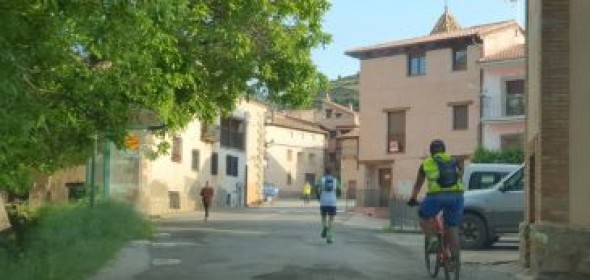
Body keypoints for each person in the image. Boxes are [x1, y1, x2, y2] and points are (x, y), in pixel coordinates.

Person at [408, 139, 464, 259]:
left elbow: (418, 185)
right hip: (456, 196)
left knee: (422, 215)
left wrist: (413, 199)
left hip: (436, 197)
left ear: (431, 152)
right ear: (444, 150)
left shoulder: (426, 163)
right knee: (452, 225)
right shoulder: (453, 159)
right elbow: (461, 164)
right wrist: (460, 174)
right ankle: (454, 260)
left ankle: (433, 238)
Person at [315, 168, 341, 244]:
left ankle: (324, 227)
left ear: (325, 172)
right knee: (331, 219)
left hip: (323, 201)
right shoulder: (335, 180)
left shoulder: (321, 180)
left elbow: (316, 187)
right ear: (331, 172)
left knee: (323, 217)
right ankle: (329, 236)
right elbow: (339, 189)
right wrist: (337, 195)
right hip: (332, 202)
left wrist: (318, 196)